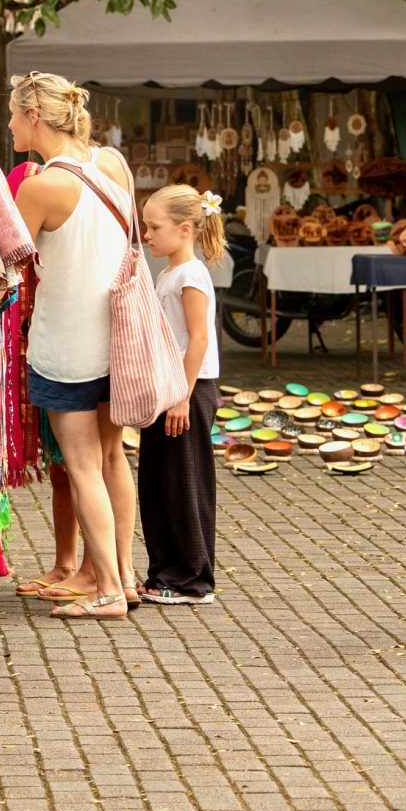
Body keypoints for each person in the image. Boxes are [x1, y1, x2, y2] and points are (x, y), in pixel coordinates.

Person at [8, 72, 136, 623]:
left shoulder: (39, 186)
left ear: (34, 117)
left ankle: (105, 588)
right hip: (118, 338)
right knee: (112, 457)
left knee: (81, 464)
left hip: (68, 343)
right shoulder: (112, 164)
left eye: (14, 115)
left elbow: (5, 261)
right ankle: (123, 575)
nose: (10, 124)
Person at [138, 184, 223, 606]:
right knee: (159, 484)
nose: (148, 234)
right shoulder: (169, 272)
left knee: (184, 483)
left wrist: (182, 397)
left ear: (185, 229)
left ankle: (192, 578)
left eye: (155, 227)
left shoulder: (191, 275)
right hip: (169, 388)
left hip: (187, 389)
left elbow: (199, 339)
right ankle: (164, 572)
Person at [4, 156, 84, 602]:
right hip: (36, 347)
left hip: (72, 345)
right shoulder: (34, 188)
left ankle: (99, 568)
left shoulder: (65, 193)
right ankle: (65, 563)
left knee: (83, 465)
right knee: (61, 469)